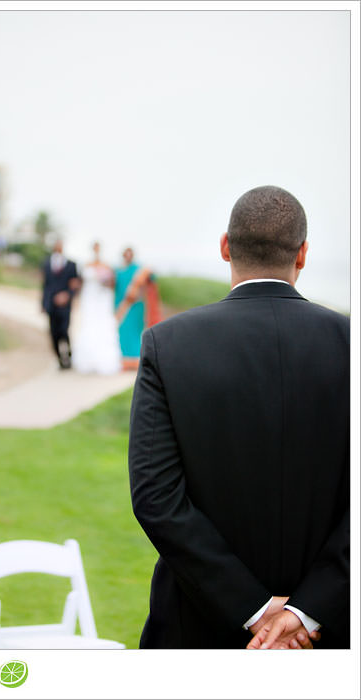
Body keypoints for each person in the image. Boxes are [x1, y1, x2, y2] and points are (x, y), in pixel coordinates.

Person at [128, 185, 348, 649]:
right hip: (334, 638)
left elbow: (155, 498)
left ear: (226, 246)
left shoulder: (168, 345)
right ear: (303, 254)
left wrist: (250, 607)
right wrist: (306, 611)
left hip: (196, 630)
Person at [71, 242, 122, 375]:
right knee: (89, 325)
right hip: (89, 298)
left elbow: (112, 284)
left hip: (103, 299)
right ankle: (87, 359)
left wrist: (104, 281)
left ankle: (104, 360)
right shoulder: (86, 265)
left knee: (103, 325)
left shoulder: (106, 265)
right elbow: (80, 283)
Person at [113, 247, 161, 370]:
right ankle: (124, 361)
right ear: (123, 255)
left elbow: (151, 280)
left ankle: (136, 360)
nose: (128, 256)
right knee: (123, 332)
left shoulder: (140, 270)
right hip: (121, 305)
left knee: (135, 331)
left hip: (136, 306)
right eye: (126, 254)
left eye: (130, 254)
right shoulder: (117, 270)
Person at [41, 239, 81, 369]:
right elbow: (44, 285)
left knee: (64, 331)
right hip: (51, 304)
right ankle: (59, 359)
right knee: (53, 333)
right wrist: (43, 303)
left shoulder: (71, 264)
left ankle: (68, 356)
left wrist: (67, 295)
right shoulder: (46, 264)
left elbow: (75, 284)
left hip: (65, 304)